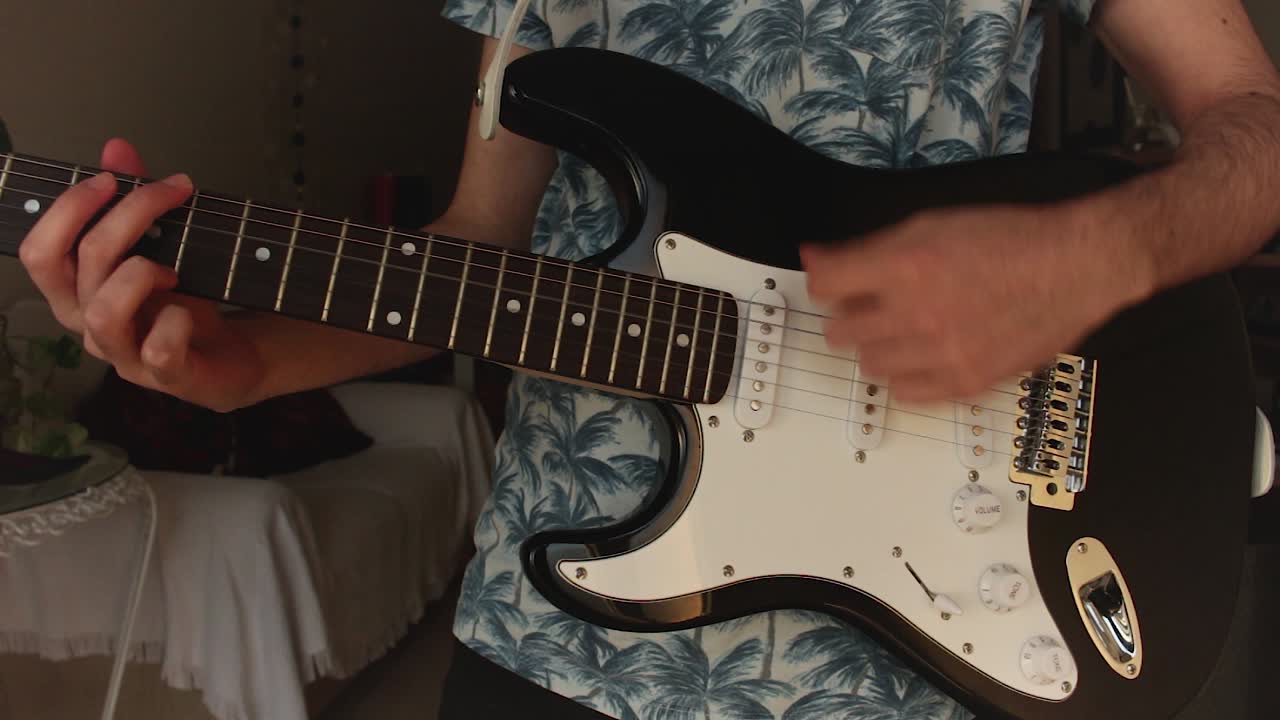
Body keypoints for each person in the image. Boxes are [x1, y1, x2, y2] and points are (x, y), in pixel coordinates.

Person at [16, 0, 1280, 718]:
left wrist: (1097, 255)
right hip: (549, 640)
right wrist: (243, 366)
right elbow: (471, 250)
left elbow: (1256, 131)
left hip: (906, 651)